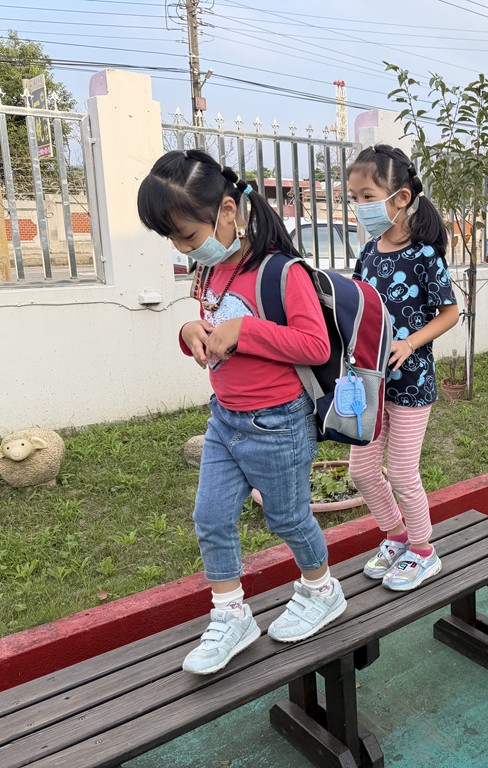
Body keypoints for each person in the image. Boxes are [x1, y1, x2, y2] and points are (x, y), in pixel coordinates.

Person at [137, 150, 346, 675]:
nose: (183, 248)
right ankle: (231, 613)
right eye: (173, 239)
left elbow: (315, 345)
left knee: (288, 517)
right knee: (210, 518)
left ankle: (322, 590)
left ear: (227, 211)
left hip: (278, 423)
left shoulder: (281, 271)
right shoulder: (210, 271)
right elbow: (212, 325)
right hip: (225, 418)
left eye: (187, 236)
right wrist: (190, 332)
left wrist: (246, 331)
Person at [345, 145, 460, 591]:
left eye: (368, 196)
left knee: (402, 472)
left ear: (402, 197)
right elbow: (358, 308)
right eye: (354, 198)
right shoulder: (368, 253)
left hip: (411, 384)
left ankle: (424, 550)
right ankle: (396, 536)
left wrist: (410, 343)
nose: (360, 207)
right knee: (361, 470)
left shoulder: (425, 255)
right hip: (369, 382)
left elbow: (449, 314)